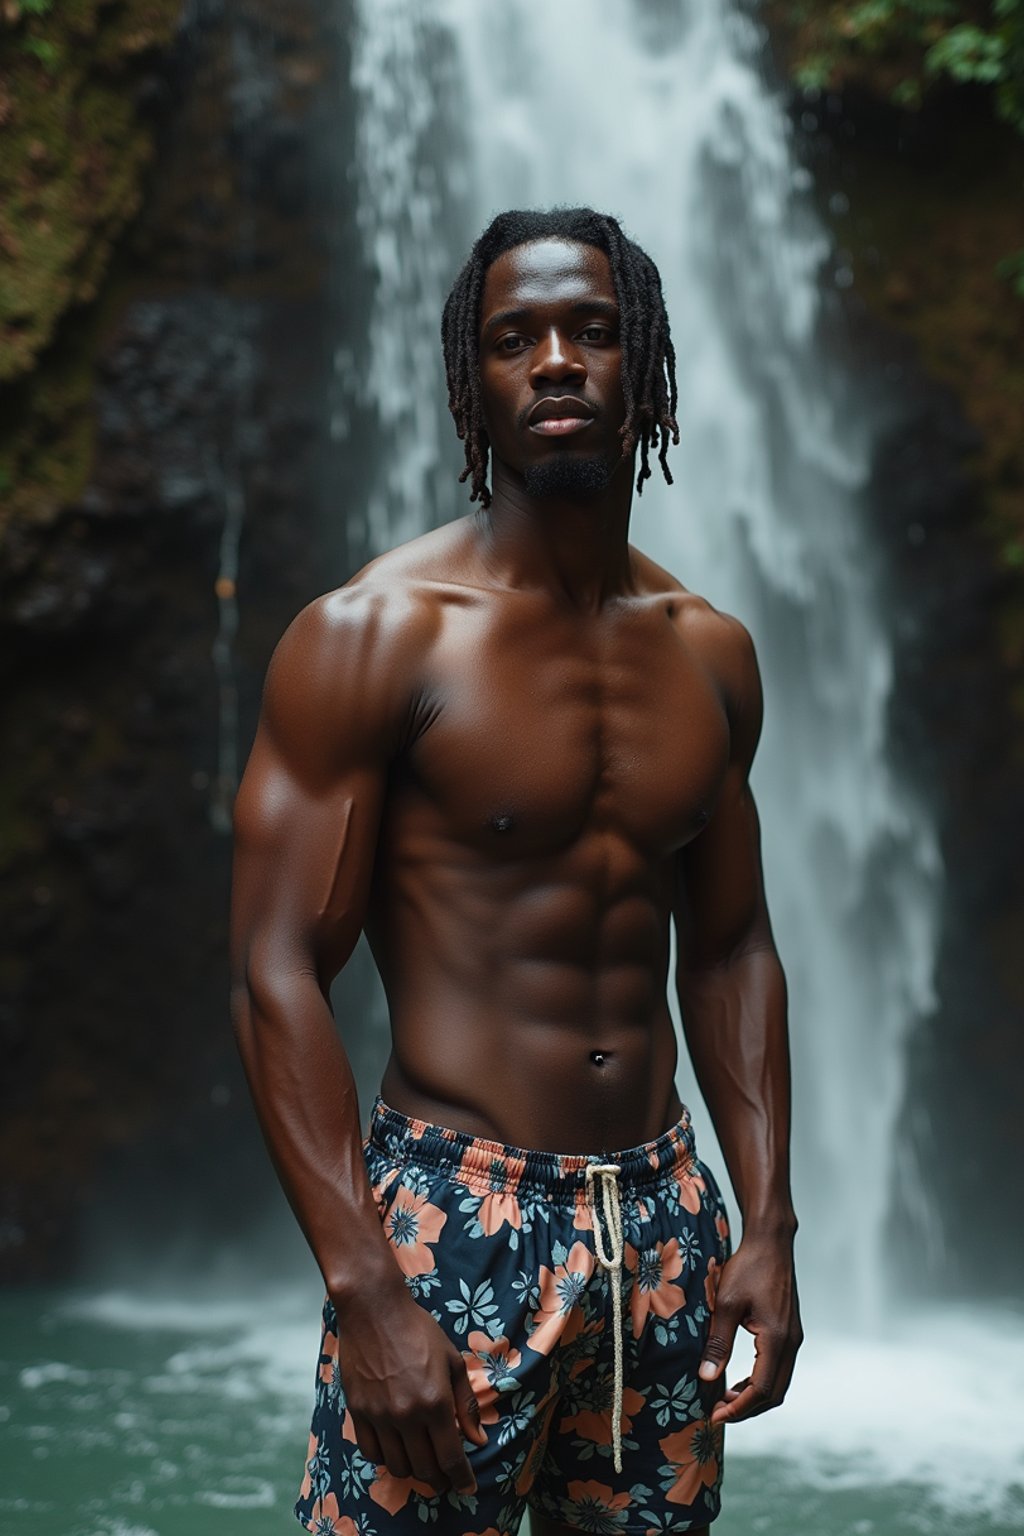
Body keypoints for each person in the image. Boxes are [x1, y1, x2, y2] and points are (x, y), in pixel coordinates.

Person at [230, 206, 802, 1536]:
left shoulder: (709, 652)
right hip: (452, 1222)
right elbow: (274, 970)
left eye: (592, 331)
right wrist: (364, 1285)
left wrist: (768, 1225)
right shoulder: (370, 637)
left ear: (643, 364)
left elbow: (731, 946)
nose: (555, 361)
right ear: (469, 380)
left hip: (666, 1221)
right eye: (514, 338)